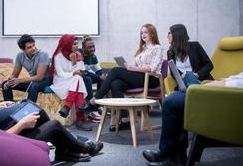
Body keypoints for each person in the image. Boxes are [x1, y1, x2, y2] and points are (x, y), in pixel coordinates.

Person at [0, 45, 103, 162]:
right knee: (53, 125)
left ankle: (68, 143)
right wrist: (22, 124)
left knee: (30, 106)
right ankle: (80, 146)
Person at [142, 24, 214, 166]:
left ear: (176, 34)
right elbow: (174, 74)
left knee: (172, 102)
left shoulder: (195, 46)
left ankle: (168, 154)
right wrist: (180, 76)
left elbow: (209, 65)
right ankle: (177, 156)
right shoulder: (171, 52)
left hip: (199, 82)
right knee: (174, 104)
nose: (167, 35)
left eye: (169, 33)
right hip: (184, 85)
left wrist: (196, 74)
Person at [87, 23, 164, 131]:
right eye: (141, 32)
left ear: (152, 34)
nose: (143, 34)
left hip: (151, 79)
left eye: (146, 32)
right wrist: (130, 67)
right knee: (115, 83)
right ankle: (124, 119)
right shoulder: (142, 49)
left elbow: (152, 68)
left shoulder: (157, 48)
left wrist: (132, 68)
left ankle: (95, 100)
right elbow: (136, 67)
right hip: (140, 78)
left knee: (115, 70)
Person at [49, 34, 92, 131]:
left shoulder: (78, 55)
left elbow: (81, 71)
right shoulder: (58, 56)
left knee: (78, 79)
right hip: (60, 81)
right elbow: (61, 74)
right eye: (74, 44)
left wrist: (74, 62)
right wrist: (73, 71)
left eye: (77, 44)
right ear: (67, 44)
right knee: (77, 79)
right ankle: (80, 119)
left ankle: (67, 107)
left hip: (73, 80)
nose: (76, 46)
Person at [2, 34, 51, 102]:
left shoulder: (43, 54)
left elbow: (39, 77)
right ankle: (10, 108)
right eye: (29, 47)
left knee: (34, 86)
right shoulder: (20, 56)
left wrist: (19, 80)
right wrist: (10, 80)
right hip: (33, 82)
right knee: (5, 84)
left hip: (45, 81)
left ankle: (28, 110)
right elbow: (14, 75)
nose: (33, 48)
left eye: (33, 45)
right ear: (23, 50)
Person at [79, 35, 108, 121]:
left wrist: (104, 75)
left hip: (86, 75)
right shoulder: (79, 54)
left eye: (93, 46)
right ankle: (91, 108)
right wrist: (99, 77)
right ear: (84, 47)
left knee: (102, 80)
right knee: (88, 79)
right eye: (89, 47)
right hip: (77, 76)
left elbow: (98, 70)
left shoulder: (93, 56)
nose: (92, 49)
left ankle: (98, 105)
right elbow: (83, 72)